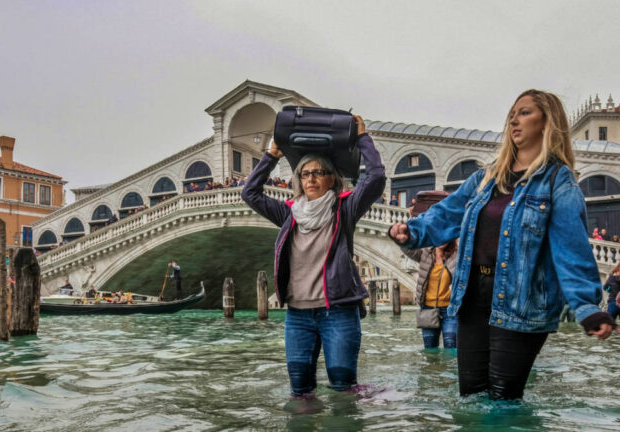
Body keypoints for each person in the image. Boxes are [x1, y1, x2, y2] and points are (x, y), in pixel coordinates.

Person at [388, 89, 618, 400]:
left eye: (525, 113)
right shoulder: (487, 177)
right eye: (512, 114)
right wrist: (411, 231)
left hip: (521, 300)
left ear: (547, 123)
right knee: (470, 398)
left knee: (503, 401)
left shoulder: (558, 181)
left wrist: (587, 306)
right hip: (472, 297)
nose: (514, 120)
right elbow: (448, 212)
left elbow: (571, 248)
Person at [241, 115, 385, 398]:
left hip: (339, 313)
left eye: (319, 172)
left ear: (332, 179)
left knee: (344, 391)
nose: (311, 178)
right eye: (305, 173)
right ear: (298, 179)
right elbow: (250, 193)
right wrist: (271, 156)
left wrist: (362, 138)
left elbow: (376, 177)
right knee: (300, 393)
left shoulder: (345, 209)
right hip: (297, 316)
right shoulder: (287, 214)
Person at [403, 241, 458, 349]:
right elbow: (407, 248)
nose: (441, 239)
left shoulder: (456, 256)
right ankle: (432, 366)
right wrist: (401, 237)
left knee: (451, 345)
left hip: (450, 310)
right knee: (429, 348)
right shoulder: (425, 254)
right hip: (428, 308)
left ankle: (449, 366)